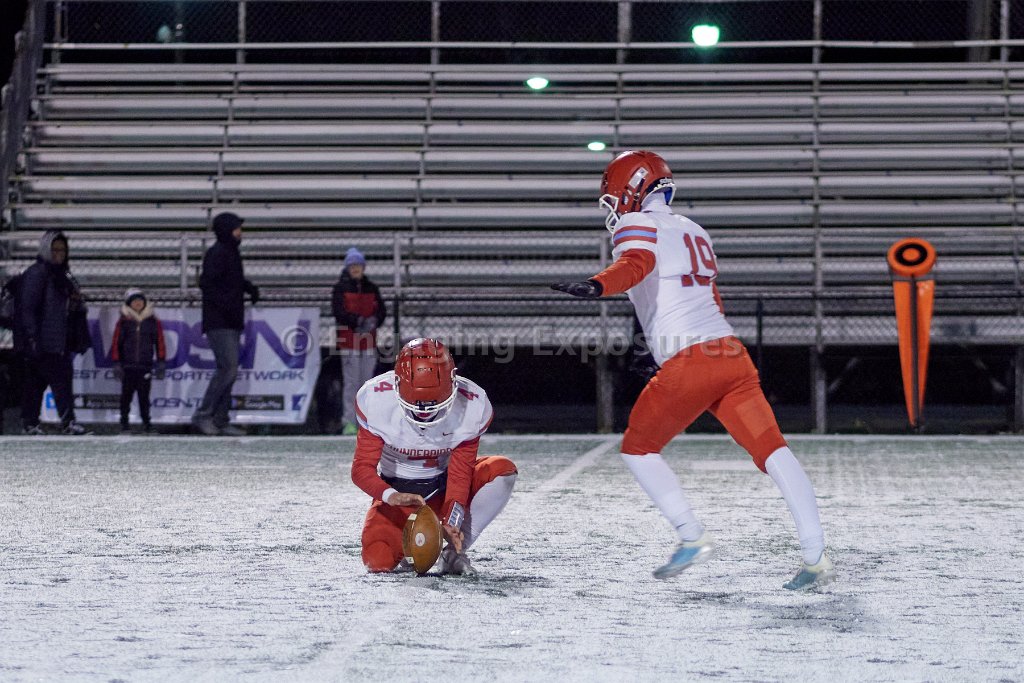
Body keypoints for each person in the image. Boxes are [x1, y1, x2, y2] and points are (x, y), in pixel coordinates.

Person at [552, 150, 834, 590]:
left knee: (638, 448)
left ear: (631, 190)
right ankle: (816, 556)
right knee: (774, 452)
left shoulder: (635, 224)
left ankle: (691, 535)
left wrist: (596, 285)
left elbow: (636, 265)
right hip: (730, 353)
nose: (613, 207)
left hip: (691, 360)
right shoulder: (692, 228)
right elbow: (708, 299)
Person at [351, 338, 517, 574]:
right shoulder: (376, 399)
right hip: (398, 496)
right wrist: (391, 496)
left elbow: (460, 475)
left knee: (502, 471)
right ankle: (411, 541)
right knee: (377, 561)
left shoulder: (472, 404)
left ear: (453, 383)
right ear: (396, 384)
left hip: (443, 487)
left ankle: (454, 552)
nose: (424, 413)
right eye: (416, 405)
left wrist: (452, 522)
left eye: (434, 404)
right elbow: (361, 469)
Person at [14, 230, 90, 435]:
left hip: (57, 340)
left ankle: (35, 423)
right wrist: (32, 337)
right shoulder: (38, 273)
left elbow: (66, 307)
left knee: (47, 383)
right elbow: (28, 308)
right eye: (54, 250)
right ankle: (56, 423)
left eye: (62, 250)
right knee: (45, 384)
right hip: (42, 340)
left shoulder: (63, 275)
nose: (59, 254)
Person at [193, 211, 259, 436]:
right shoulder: (218, 253)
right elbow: (208, 284)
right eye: (236, 228)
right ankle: (204, 415)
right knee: (228, 368)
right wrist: (227, 305)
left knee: (229, 370)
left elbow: (231, 281)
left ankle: (220, 419)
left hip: (230, 320)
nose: (240, 233)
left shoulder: (230, 253)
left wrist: (247, 287)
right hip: (219, 321)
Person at [332, 247, 386, 436]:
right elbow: (339, 312)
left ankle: (366, 422)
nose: (355, 268)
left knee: (368, 384)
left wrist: (374, 321)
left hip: (368, 341)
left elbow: (381, 310)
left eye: (358, 265)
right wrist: (357, 321)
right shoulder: (340, 288)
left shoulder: (372, 288)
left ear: (363, 267)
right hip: (349, 341)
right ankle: (349, 421)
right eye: (352, 265)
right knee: (351, 383)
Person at [110, 288, 166, 434]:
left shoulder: (153, 321)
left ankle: (147, 423)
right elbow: (116, 343)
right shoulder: (123, 322)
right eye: (134, 301)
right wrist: (116, 362)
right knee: (126, 396)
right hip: (128, 366)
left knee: (144, 397)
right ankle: (124, 423)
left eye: (140, 300)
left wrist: (161, 360)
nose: (138, 303)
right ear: (129, 304)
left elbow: (160, 341)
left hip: (145, 366)